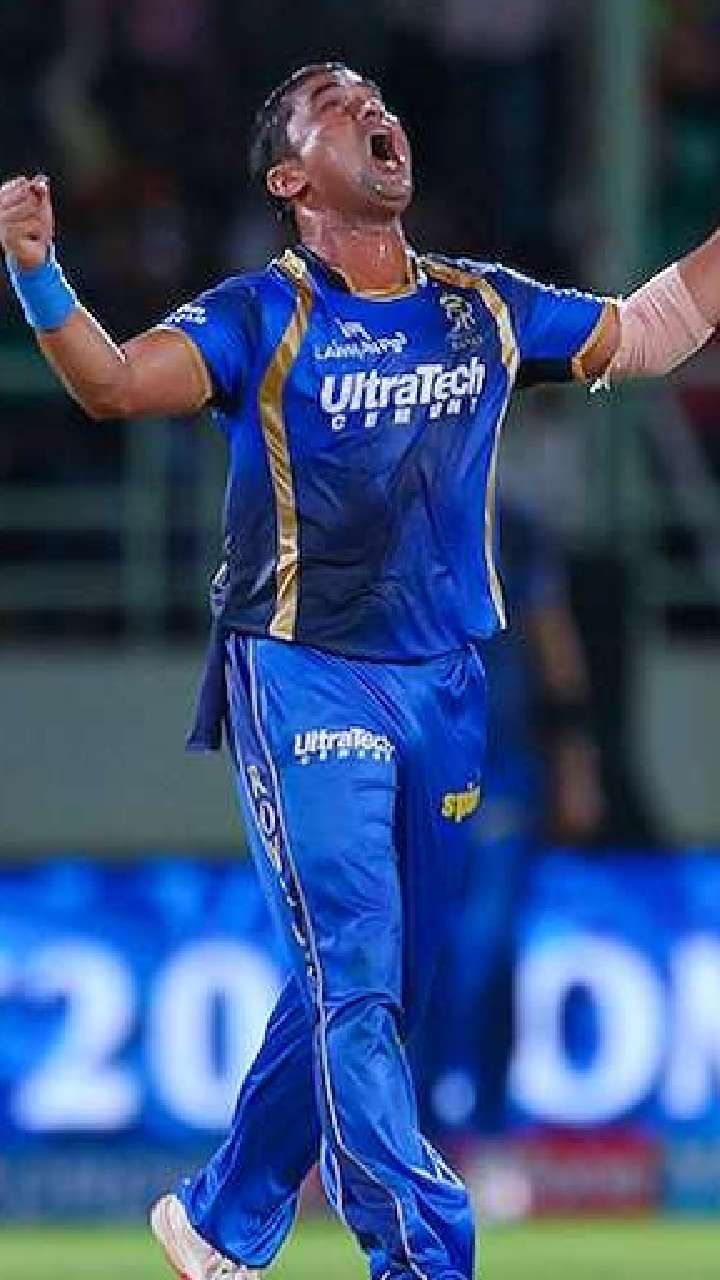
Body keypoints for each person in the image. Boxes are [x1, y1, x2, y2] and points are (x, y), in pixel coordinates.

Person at [1, 60, 717, 1280]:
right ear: (291, 180)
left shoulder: (481, 307)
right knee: (360, 968)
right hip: (305, 673)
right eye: (335, 105)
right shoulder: (259, 316)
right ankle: (423, 1253)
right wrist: (37, 274)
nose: (372, 109)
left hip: (447, 686)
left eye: (375, 96)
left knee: (374, 979)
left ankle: (220, 1217)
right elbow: (113, 385)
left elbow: (646, 333)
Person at [412, 501, 605, 1141]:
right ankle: (418, 1135)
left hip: (499, 772)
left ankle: (491, 1125)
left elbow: (555, 647)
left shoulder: (514, 528)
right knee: (418, 959)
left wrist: (576, 763)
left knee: (487, 950)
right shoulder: (393, 510)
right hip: (417, 773)